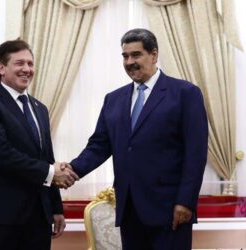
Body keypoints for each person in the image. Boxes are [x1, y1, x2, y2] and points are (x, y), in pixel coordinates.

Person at [64, 29, 208, 250]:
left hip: (170, 209)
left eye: (136, 55)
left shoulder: (185, 93)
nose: (129, 62)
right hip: (129, 209)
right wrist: (71, 170)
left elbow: (196, 153)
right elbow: (99, 146)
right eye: (125, 56)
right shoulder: (113, 99)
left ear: (154, 55)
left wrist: (185, 201)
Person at [0, 39, 78, 250]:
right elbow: (0, 154)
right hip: (2, 216)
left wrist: (56, 208)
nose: (27, 69)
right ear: (1, 68)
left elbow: (47, 158)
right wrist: (50, 171)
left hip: (39, 216)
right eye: (19, 63)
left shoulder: (40, 109)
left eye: (30, 63)